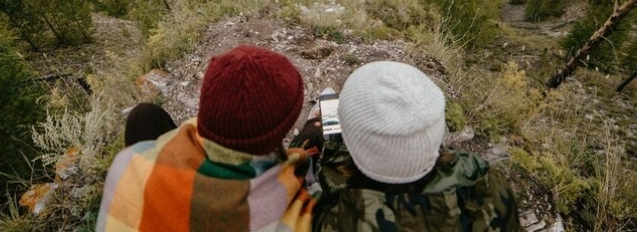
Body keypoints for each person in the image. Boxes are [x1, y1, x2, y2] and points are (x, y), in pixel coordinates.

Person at [96, 44, 316, 231]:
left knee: (143, 116)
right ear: (281, 130)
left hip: (159, 197)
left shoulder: (127, 164)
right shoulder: (289, 212)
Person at [307, 61, 521, 232]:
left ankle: (315, 124)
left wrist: (326, 143)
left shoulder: (335, 218)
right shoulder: (480, 178)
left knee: (312, 135)